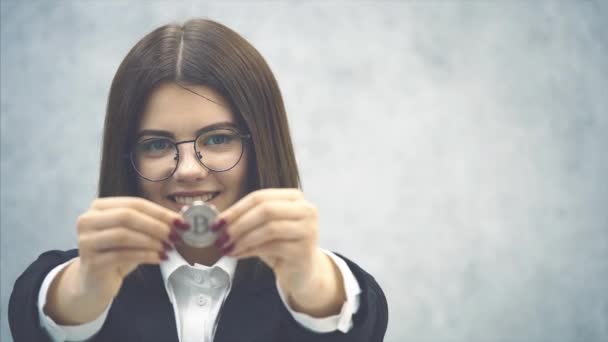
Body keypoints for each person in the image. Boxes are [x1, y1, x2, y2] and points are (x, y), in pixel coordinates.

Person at [9, 18, 388, 342]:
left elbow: (352, 314)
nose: (188, 169)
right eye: (156, 144)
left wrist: (310, 278)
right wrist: (86, 285)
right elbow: (40, 309)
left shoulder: (321, 285)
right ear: (125, 159)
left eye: (218, 138)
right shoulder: (79, 282)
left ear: (262, 145)